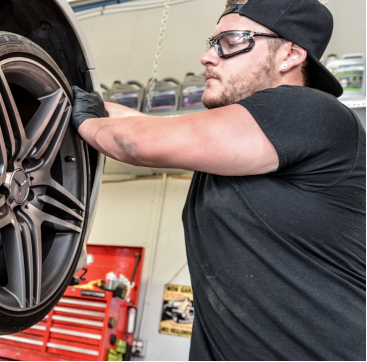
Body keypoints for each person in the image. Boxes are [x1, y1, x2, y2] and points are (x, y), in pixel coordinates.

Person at [70, 0, 366, 360]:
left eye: (230, 41)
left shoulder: (311, 112)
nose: (208, 57)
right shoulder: (242, 149)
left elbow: (137, 140)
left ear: (289, 54)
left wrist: (85, 121)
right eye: (213, 43)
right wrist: (72, 103)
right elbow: (146, 126)